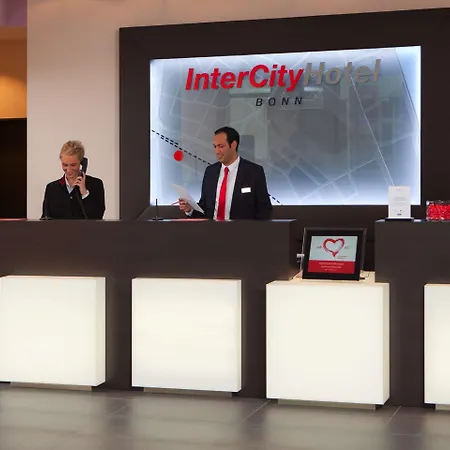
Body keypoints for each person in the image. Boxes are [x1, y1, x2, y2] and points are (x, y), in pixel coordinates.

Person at [179, 126, 272, 220]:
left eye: (221, 146)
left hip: (241, 229)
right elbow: (205, 208)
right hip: (211, 228)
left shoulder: (254, 172)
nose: (217, 151)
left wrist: (251, 228)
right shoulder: (210, 172)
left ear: (233, 145)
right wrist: (190, 209)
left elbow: (264, 209)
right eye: (215, 146)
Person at [41, 140, 105, 219]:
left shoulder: (96, 184)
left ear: (81, 163)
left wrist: (84, 193)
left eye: (73, 165)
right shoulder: (52, 188)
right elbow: (45, 219)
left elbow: (98, 217)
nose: (68, 169)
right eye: (65, 165)